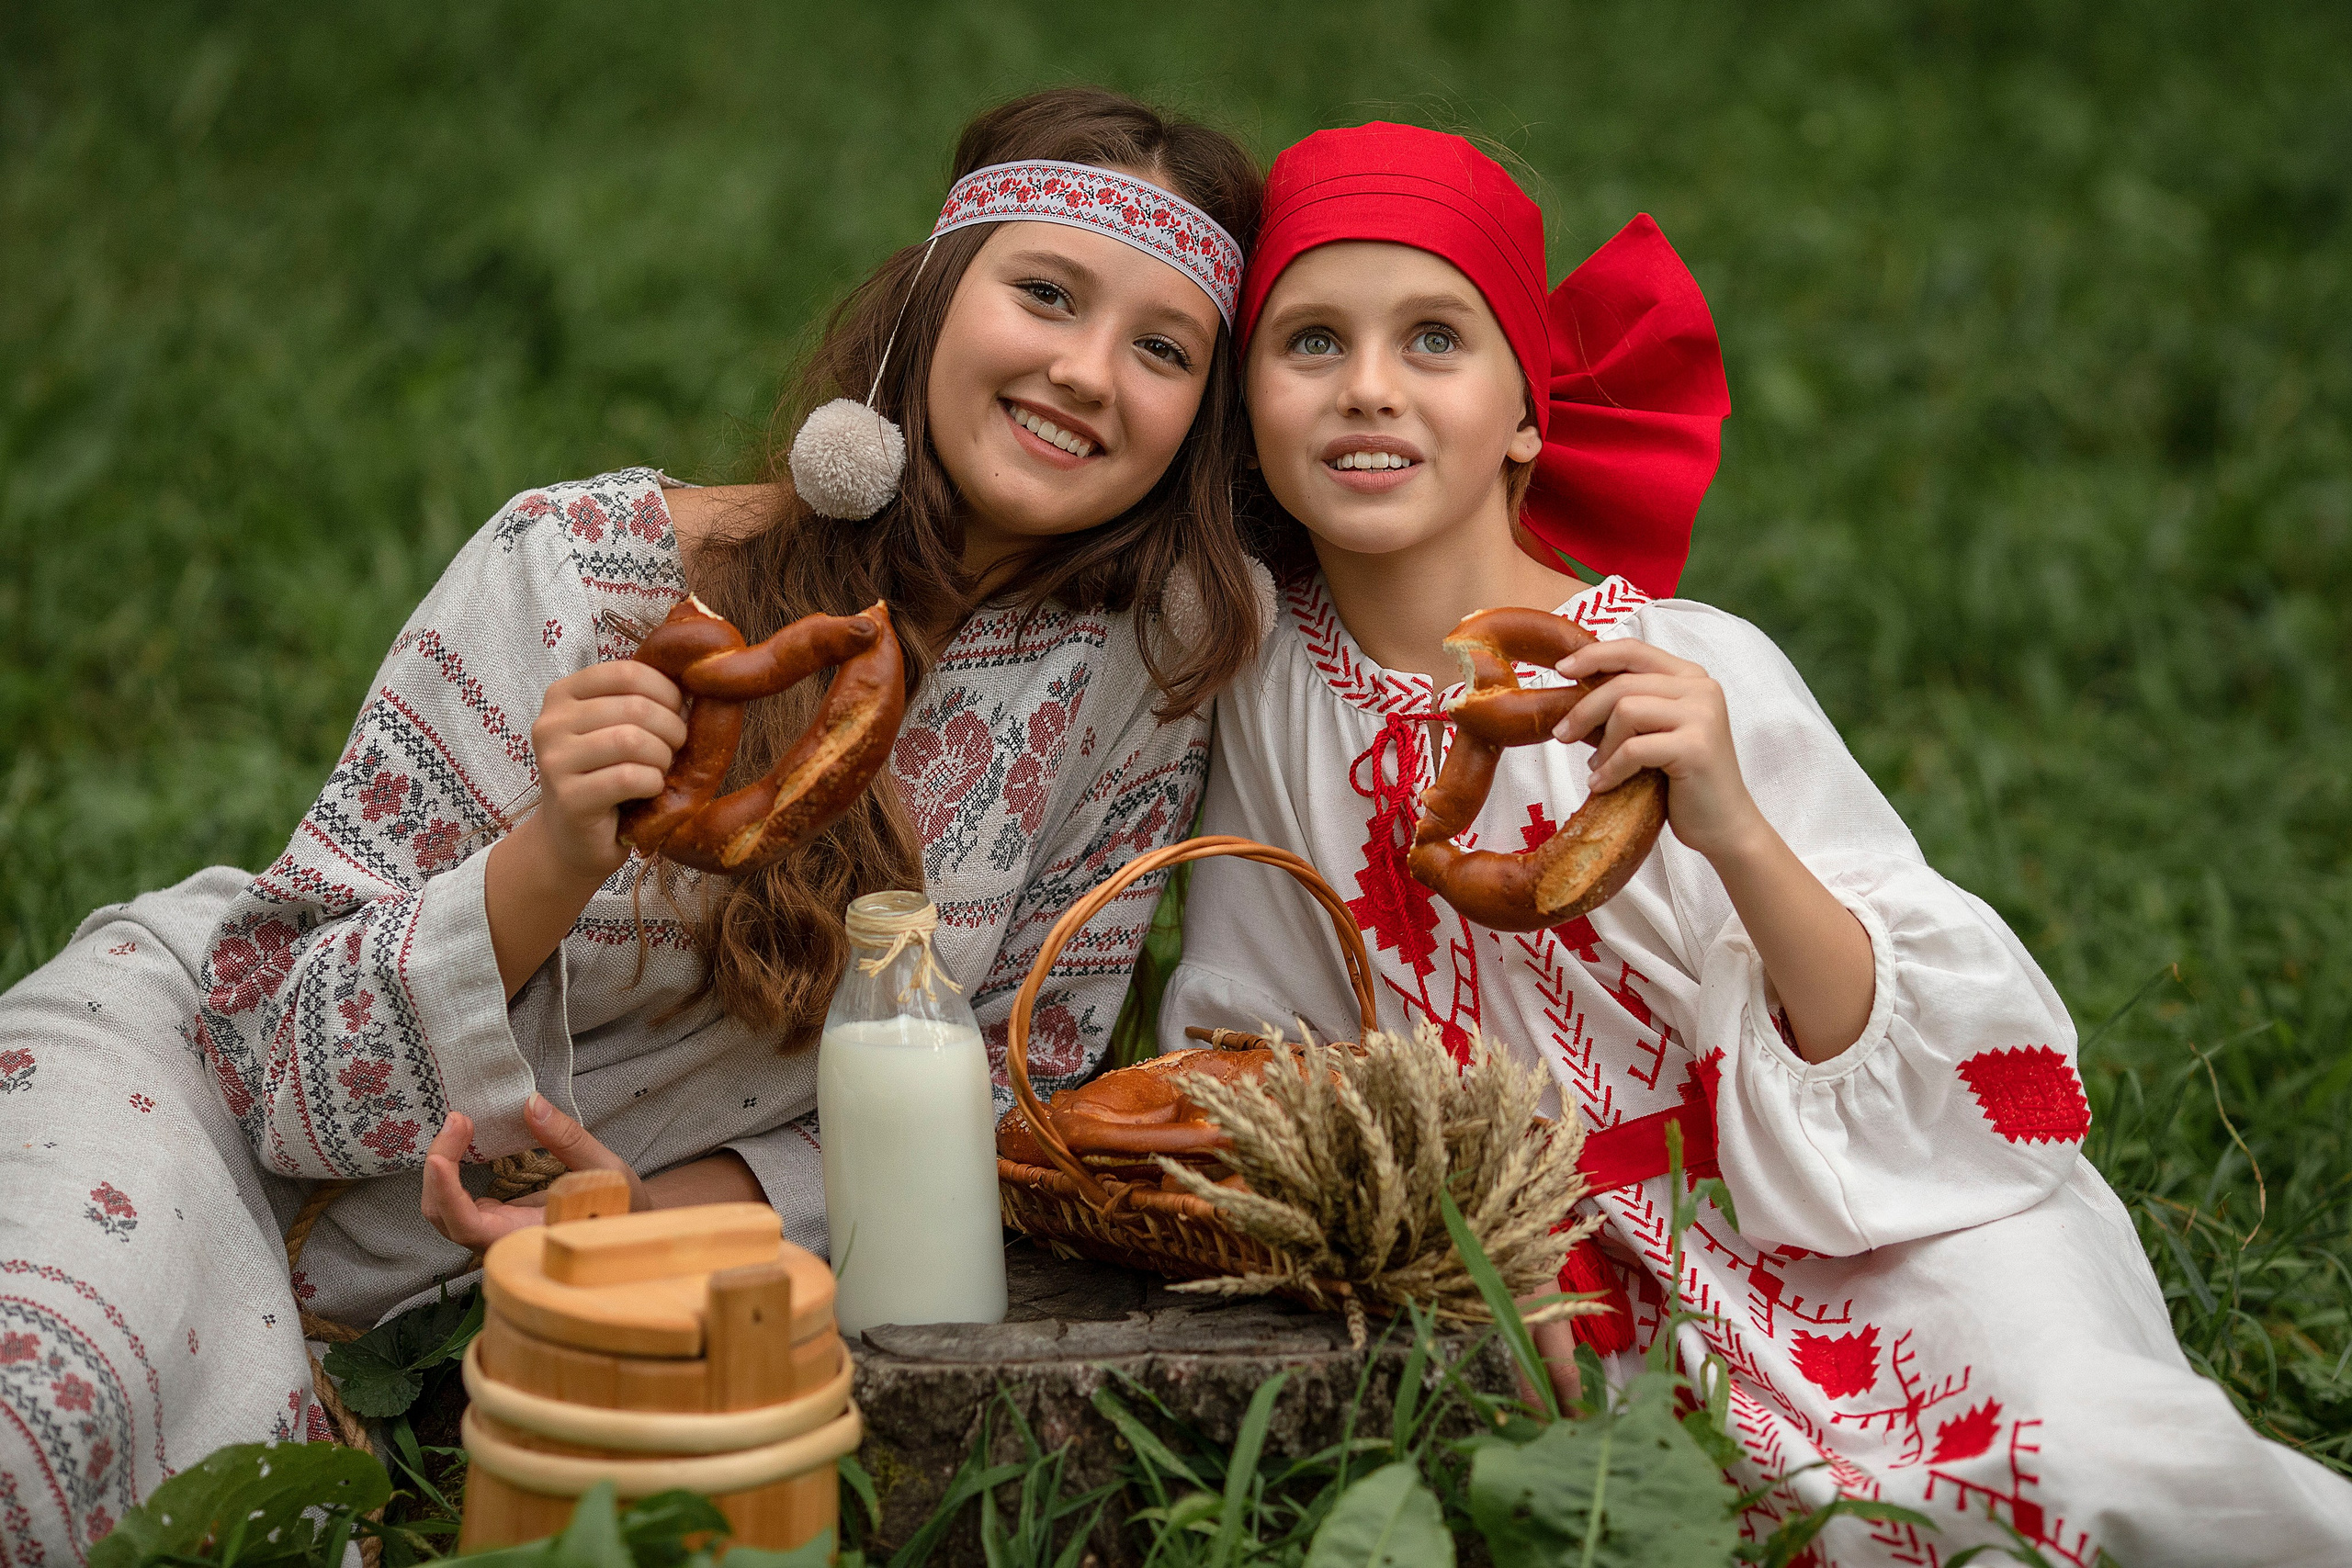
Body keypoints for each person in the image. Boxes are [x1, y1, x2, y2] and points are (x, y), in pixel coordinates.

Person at [0, 85, 1262, 1558]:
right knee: (46, 1407)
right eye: (1045, 293)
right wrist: (550, 857)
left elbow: (1009, 1093)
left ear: (1194, 422)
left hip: (551, 1275)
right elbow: (272, 1053)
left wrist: (643, 1222)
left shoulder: (1133, 696)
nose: (1087, 372)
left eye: (1162, 349)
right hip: (200, 1116)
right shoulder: (577, 575)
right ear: (931, 302)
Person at [1161, 121, 2352, 1567]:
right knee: (1771, 1531)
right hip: (1555, 1279)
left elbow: (1897, 1038)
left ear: (1530, 408)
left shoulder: (1679, 671)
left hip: (1863, 1212)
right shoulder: (1262, 701)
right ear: (1248, 409)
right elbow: (1269, 1041)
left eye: (1432, 339)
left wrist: (1728, 823)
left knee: (2098, 1466)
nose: (1368, 388)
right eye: (1309, 343)